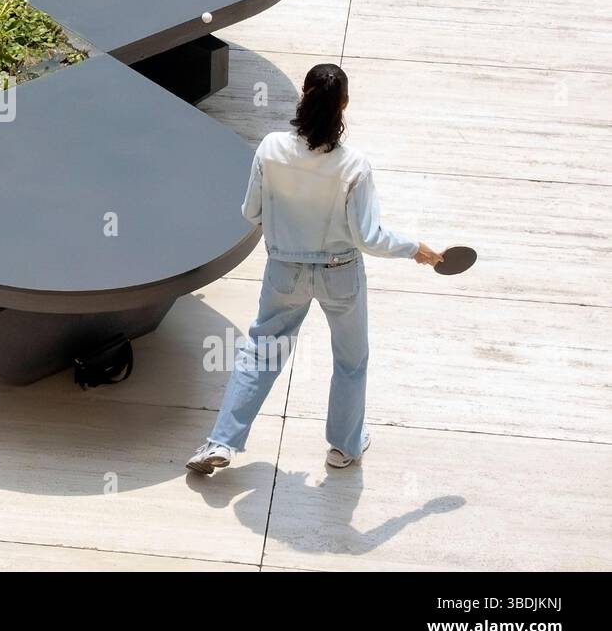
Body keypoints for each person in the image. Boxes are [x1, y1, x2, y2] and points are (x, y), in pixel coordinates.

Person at [186, 63, 443, 476]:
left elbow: (250, 212)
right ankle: (343, 447)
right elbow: (368, 237)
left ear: (303, 94)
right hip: (340, 273)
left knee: (261, 352)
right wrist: (416, 250)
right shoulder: (354, 165)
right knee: (350, 360)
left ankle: (221, 443)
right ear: (344, 105)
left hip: (284, 270)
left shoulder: (270, 149)